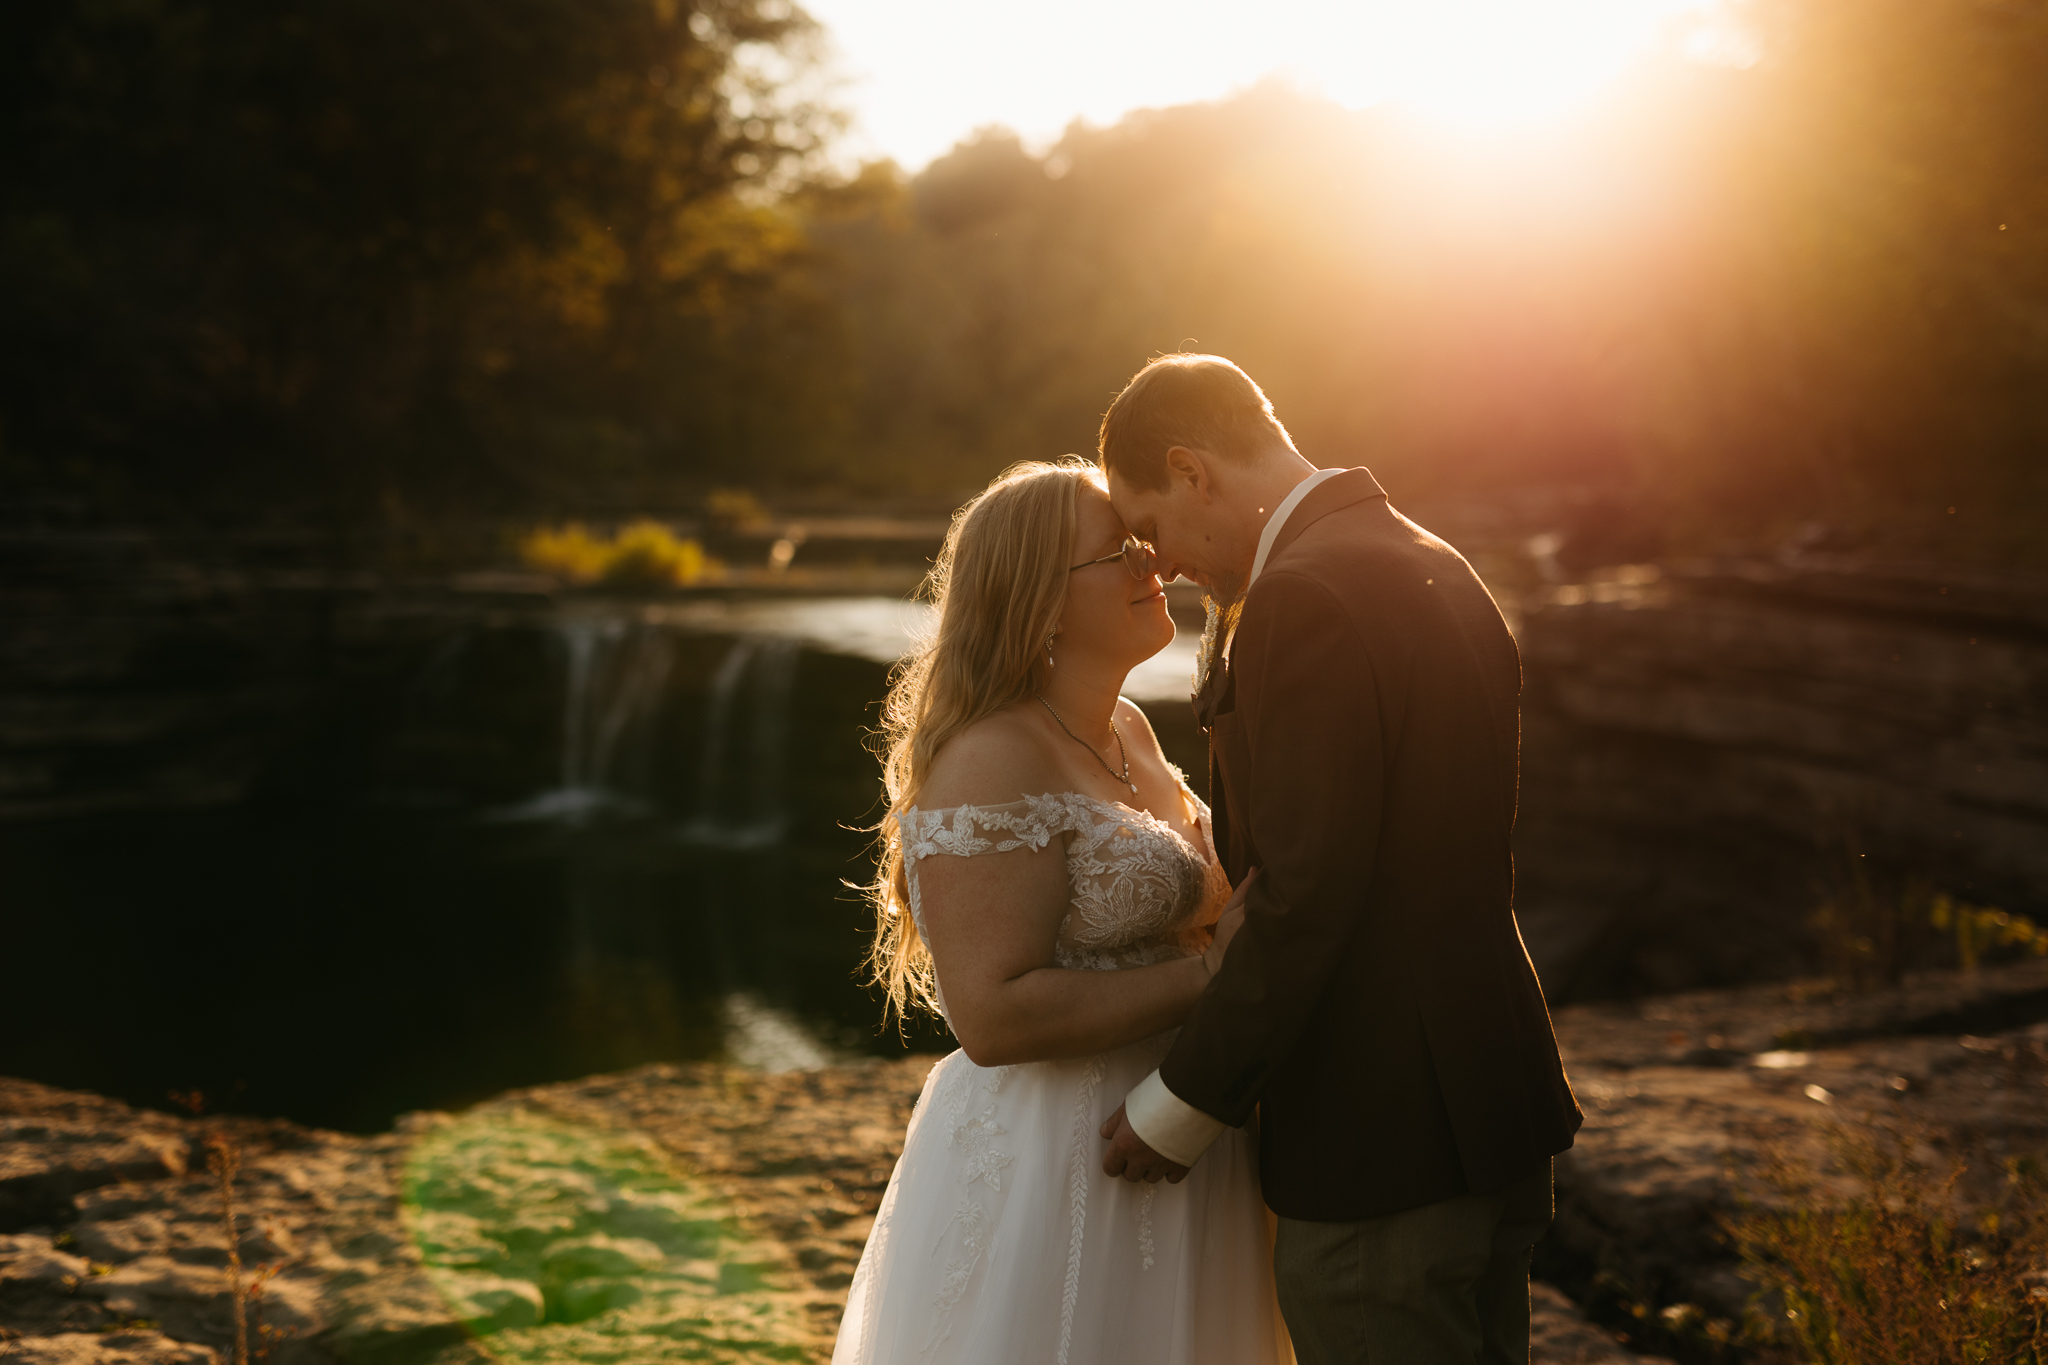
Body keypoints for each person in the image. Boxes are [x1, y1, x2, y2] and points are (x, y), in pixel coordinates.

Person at [1096, 354, 1583, 1365]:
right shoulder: (1429, 556)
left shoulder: (1300, 598)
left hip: (1379, 1131)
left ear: (1190, 470)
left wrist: (1177, 1106)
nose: (1165, 565)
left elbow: (1305, 895)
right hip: (1486, 1097)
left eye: (1151, 529)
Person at [831, 458, 1293, 1365]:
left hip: (1181, 1129)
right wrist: (1207, 976)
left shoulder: (1129, 726)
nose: (1150, 566)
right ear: (1039, 600)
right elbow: (991, 1015)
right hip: (1064, 1155)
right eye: (1116, 554)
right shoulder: (991, 756)